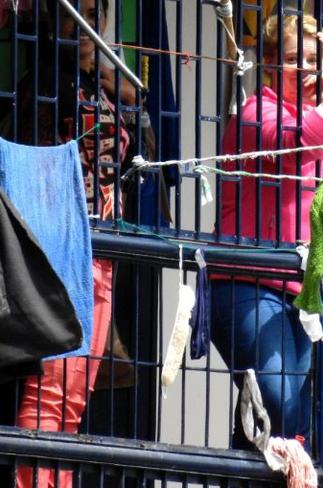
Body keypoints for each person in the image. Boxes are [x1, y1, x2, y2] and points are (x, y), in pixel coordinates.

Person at [2, 1, 143, 486]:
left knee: (76, 391)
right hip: (58, 248)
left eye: (91, 14)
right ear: (49, 21)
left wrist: (114, 84)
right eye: (70, 15)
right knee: (51, 386)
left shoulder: (107, 83)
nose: (82, 26)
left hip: (102, 250)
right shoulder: (43, 83)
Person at [210, 13, 323, 450]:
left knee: (281, 410)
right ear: (271, 64)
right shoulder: (255, 112)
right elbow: (303, 146)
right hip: (246, 282)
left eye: (317, 61)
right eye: (297, 59)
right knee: (279, 398)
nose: (309, 70)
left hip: (303, 291)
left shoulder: (321, 117)